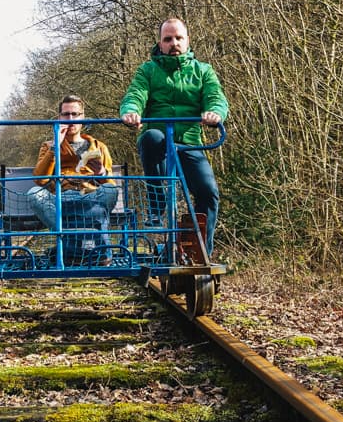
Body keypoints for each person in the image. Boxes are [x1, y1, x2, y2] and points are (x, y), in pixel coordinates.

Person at [119, 16, 227, 256]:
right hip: (159, 141)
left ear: (188, 41)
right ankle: (156, 207)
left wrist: (215, 113)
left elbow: (216, 98)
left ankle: (199, 252)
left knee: (208, 193)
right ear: (160, 43)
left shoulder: (202, 71)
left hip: (189, 143)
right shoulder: (148, 70)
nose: (173, 43)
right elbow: (135, 94)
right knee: (151, 137)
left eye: (178, 38)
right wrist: (131, 112)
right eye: (168, 39)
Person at [27, 95, 120, 259]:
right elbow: (40, 180)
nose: (70, 119)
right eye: (66, 114)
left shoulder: (99, 146)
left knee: (111, 190)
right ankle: (88, 247)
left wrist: (101, 174)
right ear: (59, 117)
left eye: (75, 114)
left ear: (83, 117)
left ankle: (70, 247)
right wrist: (56, 146)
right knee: (34, 193)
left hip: (90, 201)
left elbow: (110, 186)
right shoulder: (48, 146)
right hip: (60, 202)